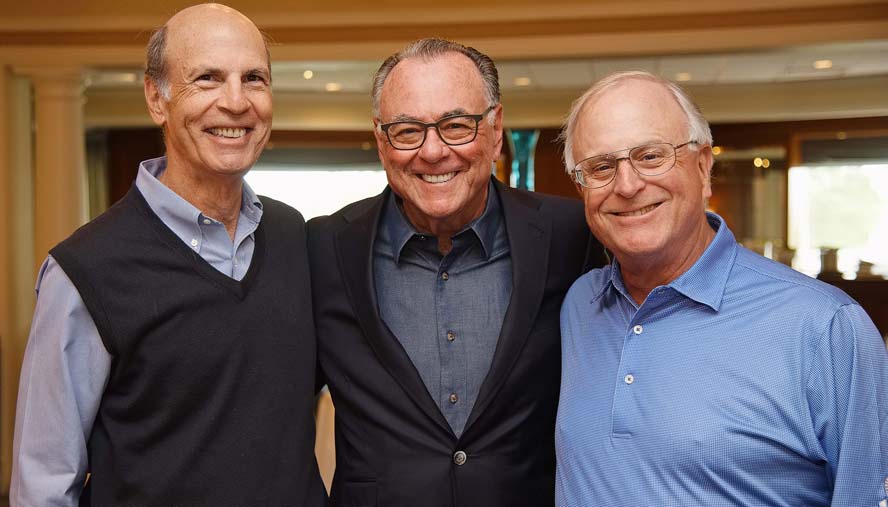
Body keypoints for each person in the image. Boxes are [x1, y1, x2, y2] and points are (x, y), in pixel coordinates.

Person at [11, 4, 326, 506]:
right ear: (156, 98)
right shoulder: (84, 272)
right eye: (207, 78)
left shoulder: (296, 237)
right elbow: (45, 483)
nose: (236, 101)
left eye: (255, 78)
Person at [556, 70, 888, 506]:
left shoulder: (825, 328)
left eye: (651, 156)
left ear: (703, 165)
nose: (628, 185)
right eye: (600, 167)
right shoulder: (581, 305)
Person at [308, 38, 606, 507]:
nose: (432, 151)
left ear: (495, 127)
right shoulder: (323, 247)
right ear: (381, 138)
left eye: (456, 126)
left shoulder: (572, 235)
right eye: (407, 130)